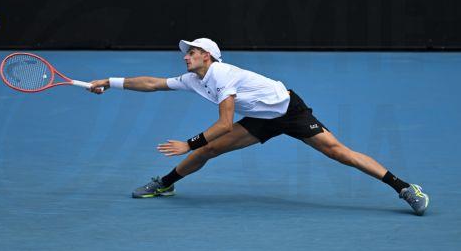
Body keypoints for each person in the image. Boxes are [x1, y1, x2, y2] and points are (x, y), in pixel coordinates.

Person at [89, 38, 429, 215]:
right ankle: (164, 184)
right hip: (261, 119)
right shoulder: (194, 78)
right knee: (210, 150)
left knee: (339, 153)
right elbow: (151, 83)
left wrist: (188, 143)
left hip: (288, 110)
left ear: (207, 56)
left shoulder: (221, 75)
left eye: (190, 53)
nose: (185, 57)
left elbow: (224, 123)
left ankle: (404, 187)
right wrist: (109, 80)